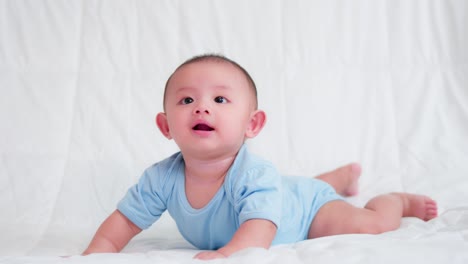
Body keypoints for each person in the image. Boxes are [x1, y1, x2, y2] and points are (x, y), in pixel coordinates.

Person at [82, 54, 438, 260]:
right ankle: (336, 178)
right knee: (288, 187)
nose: (202, 107)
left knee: (368, 226)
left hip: (307, 212)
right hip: (286, 192)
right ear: (165, 125)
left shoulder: (254, 173)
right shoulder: (160, 178)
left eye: (220, 100)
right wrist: (97, 252)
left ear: (252, 124)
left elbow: (260, 229)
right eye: (187, 100)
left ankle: (393, 200)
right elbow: (124, 223)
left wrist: (227, 255)